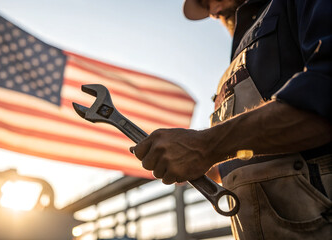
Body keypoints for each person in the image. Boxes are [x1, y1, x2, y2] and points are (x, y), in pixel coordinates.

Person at [131, 0, 332, 239]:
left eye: (210, 1)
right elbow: (246, 156)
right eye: (205, 5)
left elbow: (324, 91)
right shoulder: (239, 59)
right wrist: (202, 163)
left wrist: (205, 145)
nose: (214, 12)